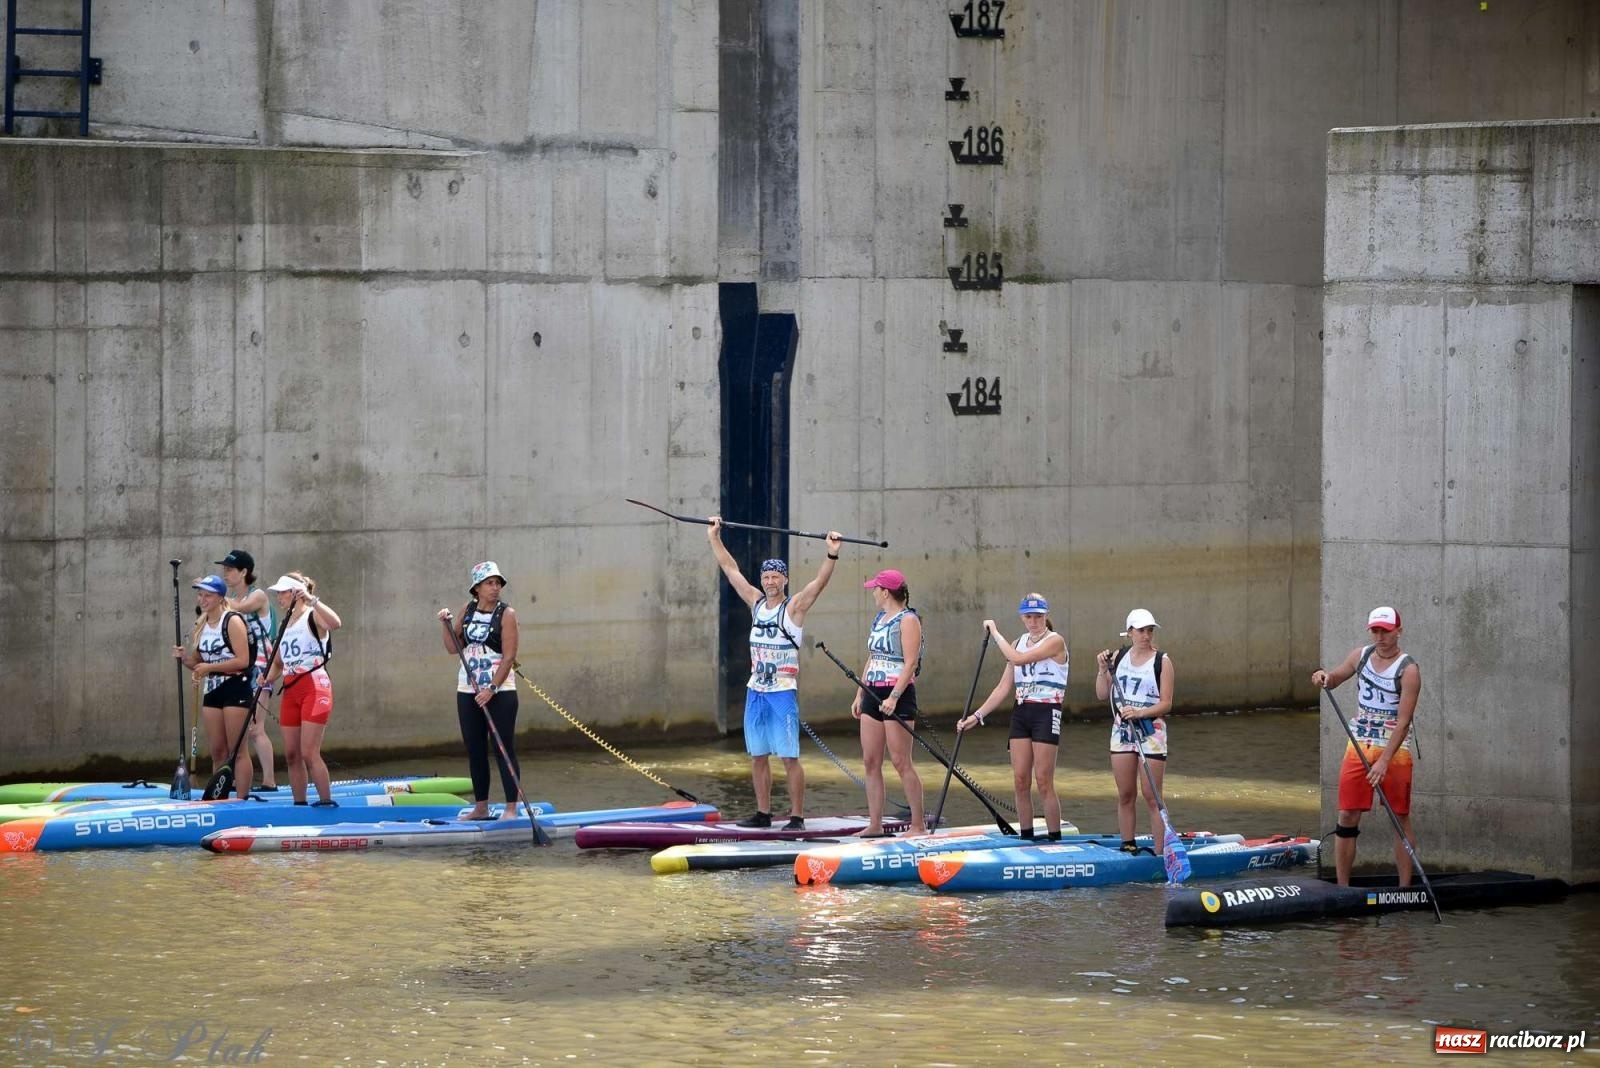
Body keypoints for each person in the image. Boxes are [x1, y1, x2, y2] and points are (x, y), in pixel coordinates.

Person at [708, 518, 844, 830]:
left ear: (784, 579)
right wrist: (714, 537)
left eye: (775, 577)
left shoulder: (794, 608)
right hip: (756, 691)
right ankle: (763, 814)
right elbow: (731, 571)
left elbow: (818, 585)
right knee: (758, 756)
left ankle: (796, 817)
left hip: (782, 694)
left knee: (788, 758)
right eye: (766, 576)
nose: (769, 582)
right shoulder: (756, 603)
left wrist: (831, 554)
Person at [1312, 606, 1421, 886]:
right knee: (1347, 813)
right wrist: (1324, 676)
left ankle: (1404, 888)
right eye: (1375, 630)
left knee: (1398, 816)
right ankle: (1343, 888)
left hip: (1394, 749)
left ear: (1399, 630)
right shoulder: (1361, 656)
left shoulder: (1408, 670)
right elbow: (1335, 678)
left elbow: (1404, 722)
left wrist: (1384, 761)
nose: (1380, 636)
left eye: (1385, 630)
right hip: (1359, 743)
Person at [957, 593, 1068, 840]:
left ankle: (1055, 839)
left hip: (1046, 712)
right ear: (1022, 617)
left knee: (1043, 781)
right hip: (1022, 713)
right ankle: (1026, 837)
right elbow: (1002, 688)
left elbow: (1017, 659)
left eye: (1038, 616)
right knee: (1020, 780)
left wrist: (995, 632)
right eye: (1028, 617)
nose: (1033, 621)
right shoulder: (1017, 642)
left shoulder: (1055, 641)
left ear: (1046, 616)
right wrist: (977, 715)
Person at [438, 562, 522, 821]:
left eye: (497, 583)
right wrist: (446, 624)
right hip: (467, 689)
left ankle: (510, 808)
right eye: (489, 583)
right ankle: (481, 807)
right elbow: (454, 648)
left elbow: (509, 657)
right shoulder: (468, 609)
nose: (495, 588)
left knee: (503, 748)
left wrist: (492, 689)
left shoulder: (507, 614)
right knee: (475, 749)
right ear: (477, 587)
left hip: (500, 691)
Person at [1095, 608, 1176, 854]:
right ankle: (1128, 845)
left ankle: (1161, 853)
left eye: (1150, 630)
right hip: (1122, 731)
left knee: (1152, 796)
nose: (1146, 635)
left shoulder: (1163, 661)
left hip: (1151, 731)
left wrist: (1139, 712)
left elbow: (1166, 704)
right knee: (1126, 794)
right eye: (1141, 631)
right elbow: (1101, 694)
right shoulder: (1118, 657)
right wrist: (1101, 670)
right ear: (1130, 632)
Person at [854, 569, 925, 836]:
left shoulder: (908, 620)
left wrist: (894, 696)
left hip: (898, 694)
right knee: (871, 761)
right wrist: (860, 693)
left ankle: (918, 824)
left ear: (886, 592)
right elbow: (872, 657)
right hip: (872, 691)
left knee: (900, 761)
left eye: (875, 588)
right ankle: (875, 824)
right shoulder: (878, 618)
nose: (872, 592)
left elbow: (911, 662)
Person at [172, 575, 256, 800]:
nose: (202, 599)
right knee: (218, 751)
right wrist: (184, 659)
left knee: (236, 751)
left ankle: (242, 798)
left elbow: (243, 661)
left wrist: (209, 667)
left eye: (207, 595)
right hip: (213, 690)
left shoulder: (233, 620)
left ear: (220, 597)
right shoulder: (201, 624)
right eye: (200, 595)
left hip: (237, 687)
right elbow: (198, 663)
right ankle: (220, 797)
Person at [263, 572, 341, 806]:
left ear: (295, 593)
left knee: (308, 752)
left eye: (282, 593)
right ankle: (300, 805)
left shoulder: (312, 616)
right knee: (291, 754)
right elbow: (278, 663)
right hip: (291, 691)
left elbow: (335, 623)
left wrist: (311, 599)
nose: (278, 598)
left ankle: (326, 802)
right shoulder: (285, 624)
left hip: (314, 688)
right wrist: (265, 679)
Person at [216, 548, 279, 791]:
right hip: (242, 669)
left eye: (230, 570)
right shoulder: (232, 600)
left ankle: (269, 782)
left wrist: (215, 595)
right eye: (224, 570)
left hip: (262, 669)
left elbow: (238, 608)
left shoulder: (258, 596)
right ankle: (234, 780)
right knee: (238, 732)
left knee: (255, 729)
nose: (225, 574)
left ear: (244, 572)